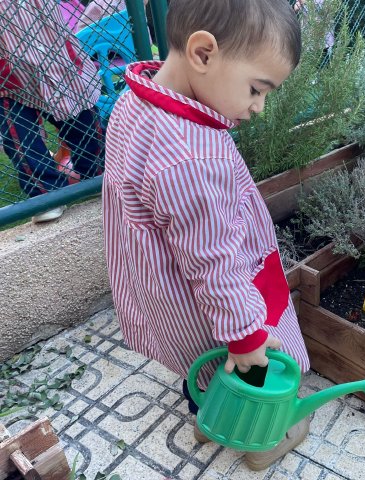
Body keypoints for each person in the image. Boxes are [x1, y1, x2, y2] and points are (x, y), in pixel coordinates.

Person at [102, 0, 310, 471]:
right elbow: (214, 265)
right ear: (202, 53)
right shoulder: (192, 159)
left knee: (201, 360)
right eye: (257, 89)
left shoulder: (135, 101)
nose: (258, 108)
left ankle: (206, 414)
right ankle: (264, 440)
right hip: (220, 301)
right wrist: (246, 334)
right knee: (245, 361)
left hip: (164, 289)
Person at [0, 0, 104, 223]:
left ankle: (96, 172)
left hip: (54, 56)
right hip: (8, 74)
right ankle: (45, 194)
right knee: (20, 136)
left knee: (82, 117)